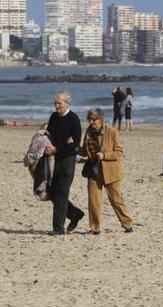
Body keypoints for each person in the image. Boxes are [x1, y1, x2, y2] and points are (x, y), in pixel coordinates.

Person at [79, 107, 134, 235]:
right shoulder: (88, 131)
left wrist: (104, 155)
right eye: (89, 119)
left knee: (116, 199)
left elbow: (120, 152)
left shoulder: (112, 131)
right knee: (93, 200)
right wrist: (75, 148)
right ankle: (95, 228)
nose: (92, 122)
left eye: (94, 119)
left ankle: (128, 225)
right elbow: (84, 151)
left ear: (101, 119)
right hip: (94, 170)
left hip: (111, 172)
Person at [45, 90, 85, 235]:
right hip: (54, 160)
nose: (57, 106)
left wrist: (57, 148)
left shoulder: (74, 119)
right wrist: (49, 147)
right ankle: (75, 214)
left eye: (59, 103)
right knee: (53, 193)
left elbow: (74, 145)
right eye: (55, 103)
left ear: (67, 103)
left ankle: (58, 228)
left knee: (62, 193)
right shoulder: (54, 117)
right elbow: (49, 135)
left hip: (68, 161)